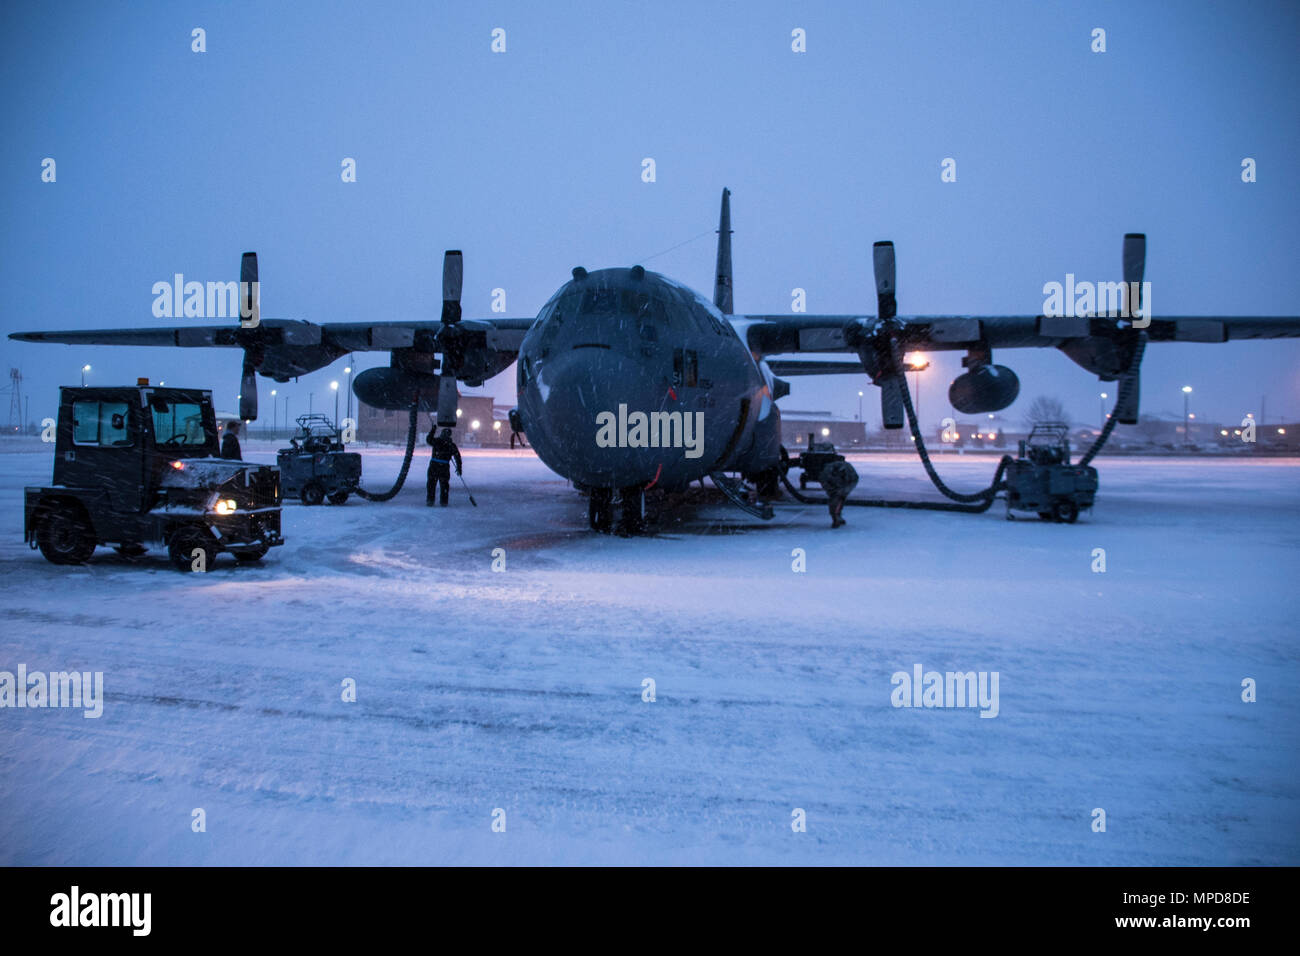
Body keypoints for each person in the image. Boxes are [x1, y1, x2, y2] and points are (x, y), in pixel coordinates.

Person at [426, 427, 462, 506]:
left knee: (431, 484)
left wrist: (432, 430)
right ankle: (444, 502)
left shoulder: (436, 441)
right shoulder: (451, 445)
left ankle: (430, 500)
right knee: (444, 485)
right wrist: (459, 467)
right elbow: (457, 456)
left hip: (434, 466)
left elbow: (428, 439)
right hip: (444, 467)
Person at [818, 458, 859, 528]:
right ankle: (835, 517)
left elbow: (854, 480)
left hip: (845, 485)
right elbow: (823, 481)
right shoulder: (826, 472)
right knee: (834, 500)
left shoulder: (849, 470)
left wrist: (844, 491)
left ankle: (837, 515)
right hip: (833, 487)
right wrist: (832, 490)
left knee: (841, 498)